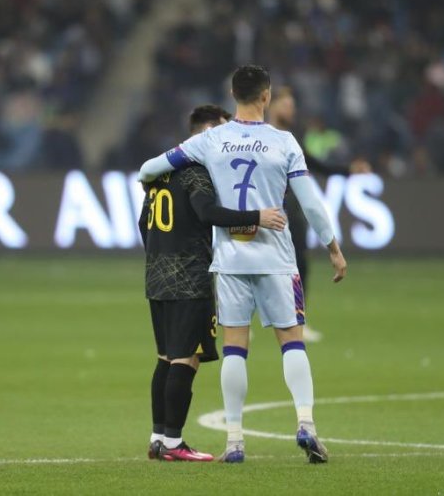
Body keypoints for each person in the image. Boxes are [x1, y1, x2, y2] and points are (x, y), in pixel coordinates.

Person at [139, 65, 347, 464]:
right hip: (276, 258)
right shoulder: (284, 142)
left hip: (230, 260)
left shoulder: (210, 140)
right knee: (292, 340)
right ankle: (306, 424)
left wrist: (148, 183)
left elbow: (150, 168)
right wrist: (333, 248)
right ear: (266, 96)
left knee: (235, 348)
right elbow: (311, 203)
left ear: (233, 95)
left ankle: (234, 441)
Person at [140, 104, 288, 463]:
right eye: (223, 132)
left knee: (164, 358)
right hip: (190, 278)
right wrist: (257, 217)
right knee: (185, 359)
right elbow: (207, 213)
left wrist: (161, 255)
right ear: (208, 133)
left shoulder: (160, 173)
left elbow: (144, 222)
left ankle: (158, 437)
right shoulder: (197, 172)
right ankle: (174, 443)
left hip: (157, 275)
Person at [268, 87, 370, 342]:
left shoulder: (291, 137)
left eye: (293, 105)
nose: (291, 110)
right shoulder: (263, 135)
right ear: (271, 105)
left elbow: (313, 163)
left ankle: (296, 319)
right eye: (286, 105)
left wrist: (347, 169)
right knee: (263, 265)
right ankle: (251, 322)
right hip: (267, 209)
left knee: (298, 264)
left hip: (289, 206)